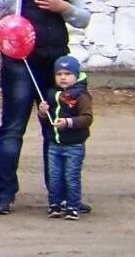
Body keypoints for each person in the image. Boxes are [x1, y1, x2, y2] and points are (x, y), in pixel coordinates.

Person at [0, 0, 90, 216]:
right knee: (13, 128)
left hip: (56, 65)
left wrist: (61, 6)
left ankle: (61, 195)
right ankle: (5, 193)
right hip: (20, 62)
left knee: (56, 130)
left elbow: (83, 18)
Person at [38, 55, 91, 220]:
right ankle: (54, 204)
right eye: (59, 74)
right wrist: (42, 112)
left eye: (67, 74)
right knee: (54, 176)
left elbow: (87, 118)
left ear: (76, 75)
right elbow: (46, 119)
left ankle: (72, 206)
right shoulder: (52, 93)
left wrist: (68, 122)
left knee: (71, 176)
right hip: (54, 144)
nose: (63, 77)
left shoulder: (81, 95)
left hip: (74, 145)